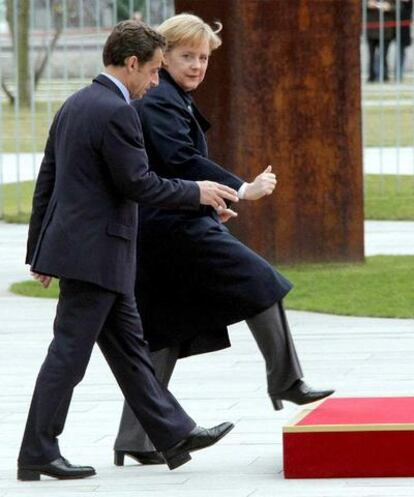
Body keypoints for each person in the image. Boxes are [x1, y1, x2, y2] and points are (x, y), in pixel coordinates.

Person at [17, 20, 239, 482]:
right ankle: (38, 450)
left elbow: (48, 183)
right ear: (132, 64)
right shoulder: (118, 112)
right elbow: (139, 182)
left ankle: (174, 434)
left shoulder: (76, 103)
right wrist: (197, 192)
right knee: (69, 356)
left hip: (94, 254)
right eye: (155, 71)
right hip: (96, 255)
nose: (157, 82)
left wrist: (39, 248)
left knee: (131, 352)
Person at [113, 13, 334, 467]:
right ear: (163, 57)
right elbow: (182, 158)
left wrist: (212, 201)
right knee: (262, 282)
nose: (197, 65)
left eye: (204, 58)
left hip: (165, 227)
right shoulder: (160, 102)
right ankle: (286, 380)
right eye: (186, 56)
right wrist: (241, 189)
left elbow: (173, 164)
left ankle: (135, 438)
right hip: (173, 229)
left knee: (164, 335)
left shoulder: (171, 97)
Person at [366, 0, 396, 82]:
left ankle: (384, 75)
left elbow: (398, 8)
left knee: (384, 55)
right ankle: (371, 76)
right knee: (371, 56)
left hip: (386, 32)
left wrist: (389, 7)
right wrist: (368, 4)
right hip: (371, 32)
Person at [395, 0, 412, 80]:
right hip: (394, 29)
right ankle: (398, 73)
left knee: (401, 51)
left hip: (404, 30)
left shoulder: (407, 5)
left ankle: (399, 74)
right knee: (400, 52)